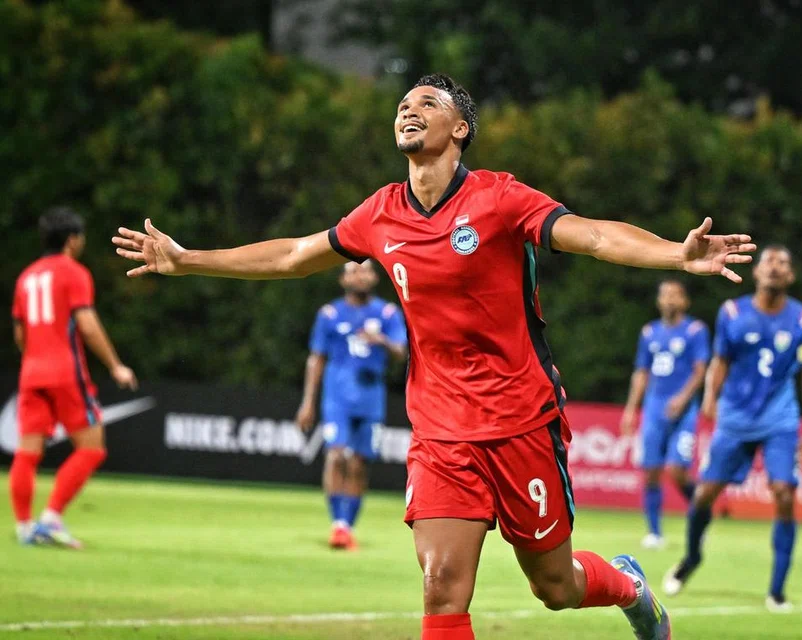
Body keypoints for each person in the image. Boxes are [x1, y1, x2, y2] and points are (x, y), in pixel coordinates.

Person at [114, 73, 756, 640]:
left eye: (426, 102)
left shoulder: (500, 198)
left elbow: (589, 235)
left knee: (555, 587)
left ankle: (628, 586)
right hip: (441, 429)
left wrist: (677, 253)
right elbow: (291, 255)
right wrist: (189, 258)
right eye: (402, 103)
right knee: (441, 586)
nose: (408, 110)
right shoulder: (381, 212)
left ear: (461, 128)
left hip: (521, 419)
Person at [662, 245, 802, 613]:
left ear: (791, 276)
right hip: (735, 418)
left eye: (784, 263)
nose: (775, 267)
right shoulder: (732, 313)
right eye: (769, 261)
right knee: (704, 495)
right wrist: (709, 397)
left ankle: (777, 591)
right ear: (757, 272)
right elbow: (720, 361)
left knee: (783, 493)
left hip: (779, 418)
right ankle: (691, 558)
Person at [10, 207, 138, 548]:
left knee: (27, 452)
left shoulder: (26, 277)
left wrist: (33, 360)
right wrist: (115, 365)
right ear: (72, 240)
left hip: (31, 372)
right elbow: (87, 324)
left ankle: (24, 526)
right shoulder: (73, 273)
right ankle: (51, 518)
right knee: (92, 447)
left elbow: (20, 333)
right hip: (65, 371)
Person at [295, 260, 407, 550]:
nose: (361, 275)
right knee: (335, 456)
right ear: (343, 280)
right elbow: (317, 358)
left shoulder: (387, 313)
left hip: (371, 399)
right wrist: (308, 402)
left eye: (366, 270)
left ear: (374, 277)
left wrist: (380, 340)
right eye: (354, 270)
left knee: (359, 463)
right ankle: (339, 526)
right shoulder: (330, 314)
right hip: (337, 397)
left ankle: (348, 524)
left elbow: (400, 351)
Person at [620, 279, 709, 550]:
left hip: (683, 411)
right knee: (651, 471)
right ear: (659, 301)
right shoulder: (649, 333)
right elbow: (641, 372)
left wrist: (682, 398)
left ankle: (701, 515)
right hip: (654, 409)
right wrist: (631, 408)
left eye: (675, 295)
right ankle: (655, 532)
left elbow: (700, 369)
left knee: (677, 470)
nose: (670, 299)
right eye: (665, 295)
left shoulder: (695, 331)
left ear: (685, 301)